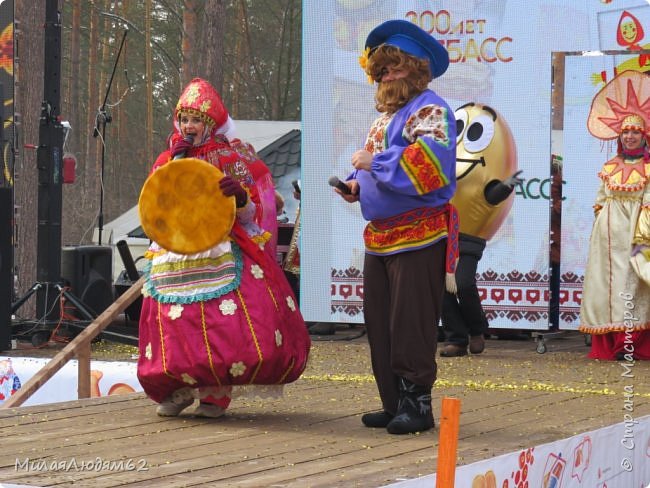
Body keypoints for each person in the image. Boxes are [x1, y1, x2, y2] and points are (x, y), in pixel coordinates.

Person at [137, 78, 311, 417]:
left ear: (211, 123)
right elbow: (155, 205)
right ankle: (178, 386)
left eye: (196, 119)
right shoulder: (167, 157)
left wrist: (240, 196)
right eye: (184, 119)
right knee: (174, 320)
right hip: (176, 250)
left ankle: (216, 391)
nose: (189, 126)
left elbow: (255, 210)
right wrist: (173, 167)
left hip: (221, 245)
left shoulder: (233, 156)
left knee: (220, 320)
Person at [335, 20, 458, 434]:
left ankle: (418, 405)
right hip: (382, 237)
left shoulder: (431, 110)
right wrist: (356, 187)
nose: (385, 77)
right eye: (380, 71)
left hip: (420, 233)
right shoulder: (383, 119)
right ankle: (393, 403)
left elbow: (432, 168)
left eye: (392, 68)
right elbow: (377, 173)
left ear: (416, 69)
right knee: (381, 321)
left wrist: (375, 164)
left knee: (411, 321)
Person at [440, 103, 522, 357]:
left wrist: (507, 185)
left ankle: (476, 330)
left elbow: (491, 195)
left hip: (468, 238)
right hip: (440, 236)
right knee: (439, 288)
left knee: (463, 283)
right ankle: (456, 338)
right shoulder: (445, 167)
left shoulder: (482, 170)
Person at [580, 70, 650, 360]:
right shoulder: (609, 167)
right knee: (605, 288)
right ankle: (610, 343)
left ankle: (630, 343)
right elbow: (600, 202)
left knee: (632, 287)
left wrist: (641, 240)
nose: (630, 136)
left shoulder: (648, 169)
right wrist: (602, 228)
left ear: (644, 136)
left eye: (635, 131)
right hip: (606, 241)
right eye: (625, 131)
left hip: (636, 235)